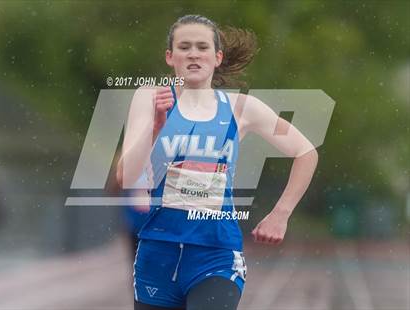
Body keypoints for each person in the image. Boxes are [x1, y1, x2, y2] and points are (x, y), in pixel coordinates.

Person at [116, 15, 318, 310]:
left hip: (216, 255)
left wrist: (280, 214)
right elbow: (125, 176)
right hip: (158, 253)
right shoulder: (150, 98)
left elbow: (306, 152)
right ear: (170, 57)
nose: (194, 54)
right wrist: (155, 129)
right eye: (184, 47)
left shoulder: (241, 108)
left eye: (202, 47)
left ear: (217, 57)